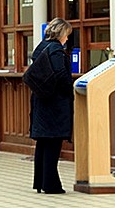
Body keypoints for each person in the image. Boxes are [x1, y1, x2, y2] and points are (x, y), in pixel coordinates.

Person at [30, 17, 73, 194]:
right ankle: (51, 184)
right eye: (67, 35)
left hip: (41, 100)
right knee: (53, 143)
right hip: (54, 103)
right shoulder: (56, 50)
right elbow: (60, 74)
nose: (68, 39)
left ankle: (40, 181)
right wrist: (69, 89)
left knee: (43, 143)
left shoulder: (41, 47)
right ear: (61, 33)